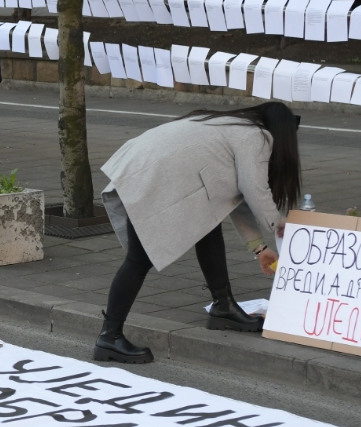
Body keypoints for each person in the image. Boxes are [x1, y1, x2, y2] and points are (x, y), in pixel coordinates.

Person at [93, 103, 300, 364]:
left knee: (207, 225)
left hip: (145, 162)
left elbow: (233, 198)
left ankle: (223, 306)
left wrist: (258, 247)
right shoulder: (256, 137)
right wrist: (278, 223)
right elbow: (253, 189)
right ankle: (109, 337)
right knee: (139, 259)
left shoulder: (227, 123)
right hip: (156, 174)